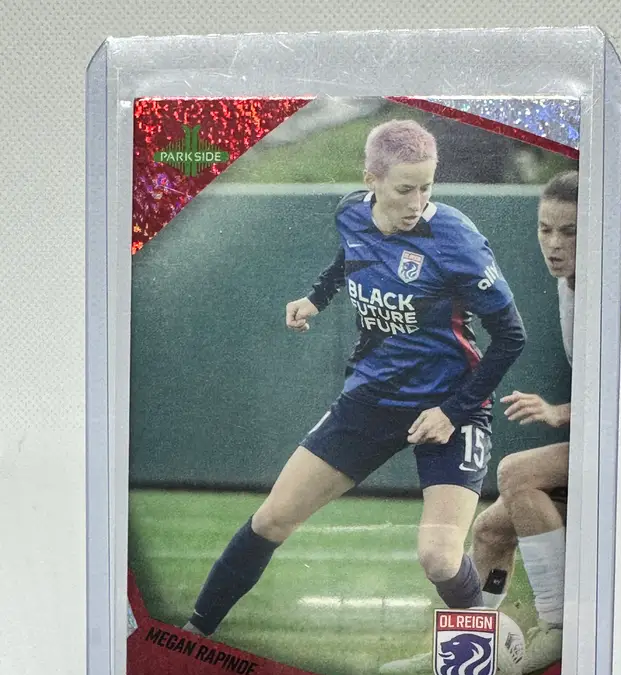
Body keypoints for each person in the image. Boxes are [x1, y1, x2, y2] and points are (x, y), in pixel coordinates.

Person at [183, 119, 526, 641]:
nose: (417, 203)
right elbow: (348, 258)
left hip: (451, 407)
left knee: (439, 558)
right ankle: (192, 634)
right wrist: (316, 298)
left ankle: (484, 644)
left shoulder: (457, 240)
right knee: (272, 519)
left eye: (427, 188)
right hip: (370, 399)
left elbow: (511, 337)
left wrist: (451, 412)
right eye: (404, 189)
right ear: (371, 180)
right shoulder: (350, 213)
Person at [470, 170, 578, 674]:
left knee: (516, 472)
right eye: (545, 229)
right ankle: (468, 648)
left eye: (570, 232)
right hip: (599, 447)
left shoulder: (615, 294)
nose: (553, 244)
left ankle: (558, 627)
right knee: (490, 530)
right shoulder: (568, 285)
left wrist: (558, 412)